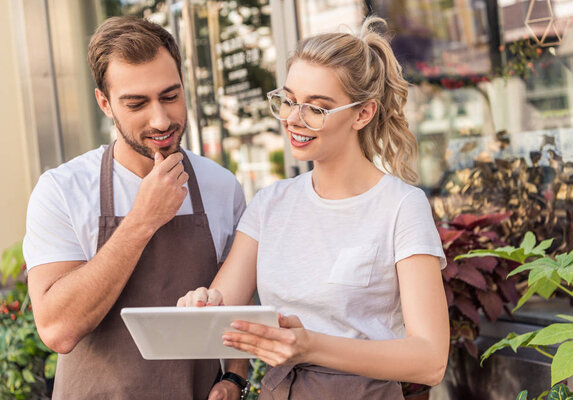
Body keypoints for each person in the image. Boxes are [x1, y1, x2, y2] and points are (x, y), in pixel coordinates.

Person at [177, 16, 450, 399]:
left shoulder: (401, 206)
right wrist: (203, 304)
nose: (293, 118)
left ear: (363, 113)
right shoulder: (270, 204)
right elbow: (224, 308)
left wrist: (310, 346)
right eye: (288, 100)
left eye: (316, 108)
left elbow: (430, 359)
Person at [23, 16, 248, 400]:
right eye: (137, 103)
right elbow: (57, 330)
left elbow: (237, 306)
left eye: (171, 96)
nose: (161, 119)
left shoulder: (221, 186)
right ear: (105, 103)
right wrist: (143, 218)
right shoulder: (62, 190)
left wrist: (235, 380)